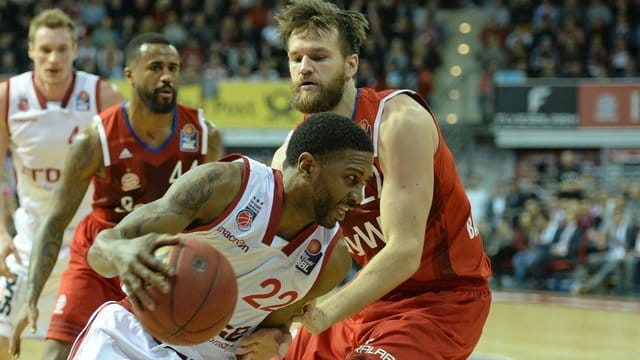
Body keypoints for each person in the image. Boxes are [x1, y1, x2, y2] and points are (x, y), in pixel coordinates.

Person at [271, 1, 493, 358]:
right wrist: (273, 326)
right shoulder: (291, 154)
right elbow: (284, 249)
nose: (305, 68)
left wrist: (324, 312)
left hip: (444, 299)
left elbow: (405, 252)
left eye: (318, 57)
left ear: (351, 65)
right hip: (373, 295)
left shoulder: (399, 122)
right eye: (296, 58)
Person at [67, 112, 374, 360]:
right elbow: (101, 251)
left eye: (362, 183)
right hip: (131, 338)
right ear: (307, 166)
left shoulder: (330, 260)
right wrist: (123, 252)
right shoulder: (227, 186)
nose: (358, 196)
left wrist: (277, 342)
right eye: (351, 179)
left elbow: (266, 338)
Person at [8, 32, 223, 359]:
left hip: (163, 259)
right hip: (101, 252)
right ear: (129, 75)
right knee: (56, 352)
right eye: (155, 67)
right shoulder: (95, 138)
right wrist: (31, 297)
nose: (166, 76)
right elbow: (54, 221)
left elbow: (219, 222)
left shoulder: (204, 136)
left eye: (173, 67)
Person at [0, 8, 124, 356]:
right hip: (28, 243)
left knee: (80, 349)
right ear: (30, 50)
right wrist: (0, 233)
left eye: (61, 49)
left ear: (75, 50)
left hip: (87, 248)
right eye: (45, 49)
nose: (53, 58)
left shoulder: (103, 96)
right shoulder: (8, 96)